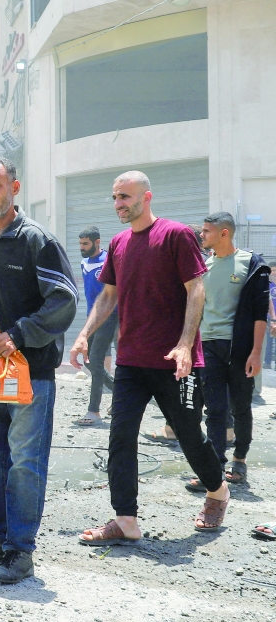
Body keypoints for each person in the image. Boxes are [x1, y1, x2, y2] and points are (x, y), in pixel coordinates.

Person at [71, 171, 229, 543]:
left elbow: (196, 290)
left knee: (189, 436)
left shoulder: (175, 235)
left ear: (147, 197)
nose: (118, 204)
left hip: (176, 362)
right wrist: (83, 335)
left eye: (125, 196)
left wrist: (186, 344)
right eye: (115, 197)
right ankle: (126, 519)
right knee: (120, 437)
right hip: (131, 360)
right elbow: (108, 296)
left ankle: (218, 490)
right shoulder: (119, 243)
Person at [0, 157, 76, 584]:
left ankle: (20, 550)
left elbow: (63, 300)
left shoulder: (36, 241)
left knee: (25, 461)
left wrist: (21, 333)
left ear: (15, 187)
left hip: (31, 375)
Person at [183, 212, 267, 488]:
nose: (202, 235)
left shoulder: (251, 263)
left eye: (206, 231)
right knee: (215, 409)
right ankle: (215, 468)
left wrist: (256, 352)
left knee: (240, 406)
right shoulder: (203, 266)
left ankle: (239, 460)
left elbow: (259, 313)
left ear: (224, 233)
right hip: (208, 346)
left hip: (239, 348)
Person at [73, 226, 116, 426]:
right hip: (92, 318)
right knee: (89, 361)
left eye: (85, 244)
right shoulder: (84, 263)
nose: (82, 247)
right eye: (80, 244)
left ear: (97, 242)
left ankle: (93, 411)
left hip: (109, 316)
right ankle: (119, 394)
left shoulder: (109, 261)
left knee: (96, 360)